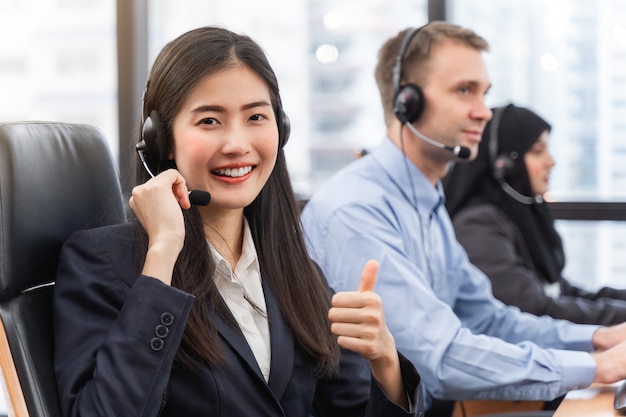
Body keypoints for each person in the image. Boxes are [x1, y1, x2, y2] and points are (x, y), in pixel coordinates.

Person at [52, 26, 423, 417]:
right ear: (162, 140)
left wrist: (385, 364)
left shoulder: (297, 274)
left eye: (256, 117)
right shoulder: (105, 263)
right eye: (210, 121)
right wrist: (162, 253)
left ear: (280, 131)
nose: (237, 144)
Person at [301, 20, 626, 414]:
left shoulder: (427, 200)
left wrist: (599, 339)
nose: (483, 112)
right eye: (464, 91)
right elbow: (439, 358)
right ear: (408, 102)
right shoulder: (356, 210)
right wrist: (596, 367)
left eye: (484, 93)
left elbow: (490, 319)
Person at [443, 103, 626, 325]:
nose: (551, 161)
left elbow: (557, 290)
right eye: (538, 151)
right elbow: (535, 308)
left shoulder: (516, 216)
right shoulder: (478, 226)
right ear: (506, 165)